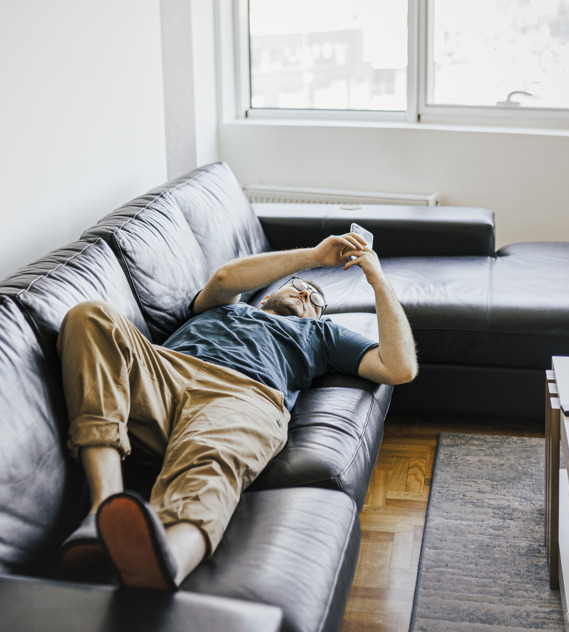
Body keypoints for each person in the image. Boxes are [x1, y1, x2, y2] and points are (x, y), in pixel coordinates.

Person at [57, 232, 417, 591]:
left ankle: (166, 561)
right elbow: (225, 278)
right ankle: (103, 510)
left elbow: (399, 367)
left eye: (315, 299)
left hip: (243, 395)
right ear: (267, 297)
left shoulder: (321, 334)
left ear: (320, 315)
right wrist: (314, 256)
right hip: (165, 373)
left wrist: (377, 279)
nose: (306, 294)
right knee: (90, 316)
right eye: (298, 286)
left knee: (214, 459)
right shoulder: (225, 304)